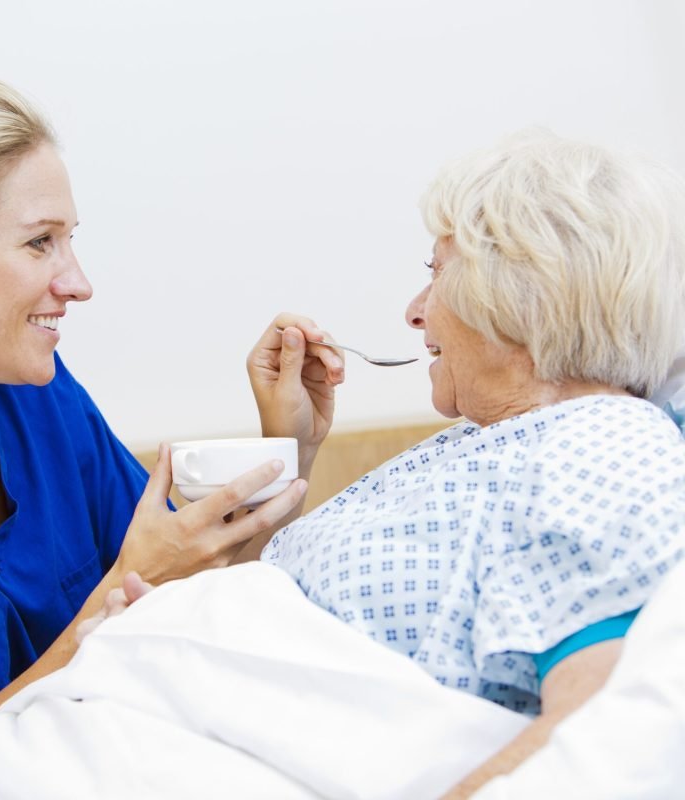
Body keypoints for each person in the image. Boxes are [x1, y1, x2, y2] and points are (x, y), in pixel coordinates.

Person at [0, 74, 345, 736]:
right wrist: (123, 583)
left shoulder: (41, 401)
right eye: (40, 242)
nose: (79, 284)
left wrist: (289, 446)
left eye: (70, 240)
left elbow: (188, 590)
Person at [253, 130, 685, 795]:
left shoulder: (602, 444)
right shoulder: (495, 440)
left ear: (522, 292)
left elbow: (598, 739)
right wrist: (290, 449)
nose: (414, 313)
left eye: (436, 273)